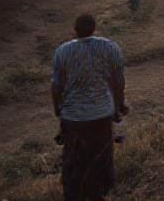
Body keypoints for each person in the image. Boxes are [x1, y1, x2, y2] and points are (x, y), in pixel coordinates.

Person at [51, 14, 127, 201]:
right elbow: (118, 81)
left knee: (72, 162)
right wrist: (119, 106)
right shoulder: (110, 47)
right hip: (101, 115)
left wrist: (58, 110)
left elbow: (56, 86)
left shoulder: (62, 51)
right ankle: (99, 193)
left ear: (74, 30)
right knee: (101, 158)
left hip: (73, 118)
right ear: (94, 27)